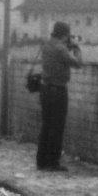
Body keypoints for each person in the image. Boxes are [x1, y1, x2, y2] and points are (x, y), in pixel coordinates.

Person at [35, 21, 82, 171]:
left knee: (46, 125)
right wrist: (76, 48)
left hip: (45, 89)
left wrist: (67, 46)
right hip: (58, 90)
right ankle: (52, 162)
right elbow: (78, 63)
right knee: (57, 126)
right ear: (65, 35)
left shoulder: (47, 45)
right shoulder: (61, 48)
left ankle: (41, 161)